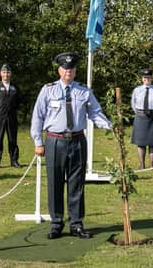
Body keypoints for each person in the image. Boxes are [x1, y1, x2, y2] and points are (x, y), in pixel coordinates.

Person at [30, 52, 111, 240]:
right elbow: (38, 117)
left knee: (77, 183)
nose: (68, 72)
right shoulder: (48, 90)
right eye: (65, 69)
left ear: (75, 71)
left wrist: (110, 126)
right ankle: (56, 223)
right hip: (54, 140)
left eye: (72, 69)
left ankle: (76, 223)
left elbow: (95, 112)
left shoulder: (83, 91)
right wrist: (38, 142)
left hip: (77, 141)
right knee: (55, 182)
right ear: (59, 70)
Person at [0, 64, 22, 168]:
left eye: (7, 72)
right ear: (0, 74)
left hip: (11, 117)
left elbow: (19, 102)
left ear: (10, 74)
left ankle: (14, 161)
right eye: (4, 72)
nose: (6, 75)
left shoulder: (15, 87)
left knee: (13, 139)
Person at [130, 68, 153, 169]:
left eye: (148, 77)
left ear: (151, 78)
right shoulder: (137, 90)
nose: (147, 79)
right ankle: (142, 165)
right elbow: (133, 104)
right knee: (141, 142)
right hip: (140, 116)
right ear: (142, 79)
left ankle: (152, 164)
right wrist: (140, 113)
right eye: (145, 78)